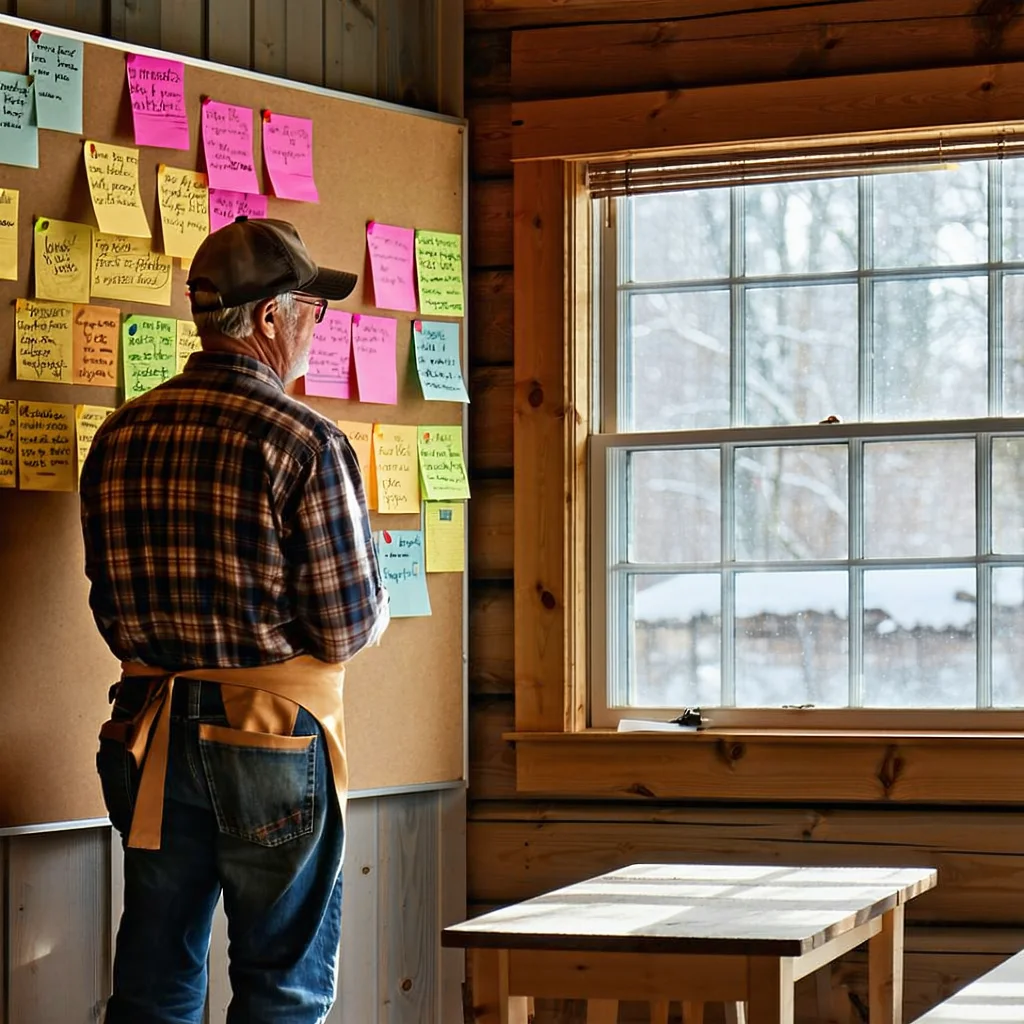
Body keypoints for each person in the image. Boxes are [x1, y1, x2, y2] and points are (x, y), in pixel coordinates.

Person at [80, 217, 390, 1024]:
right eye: (311, 310)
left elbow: (107, 606)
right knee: (281, 986)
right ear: (266, 318)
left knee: (153, 979)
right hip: (270, 741)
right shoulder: (305, 441)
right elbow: (345, 628)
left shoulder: (118, 436)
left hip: (146, 734)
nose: (317, 329)